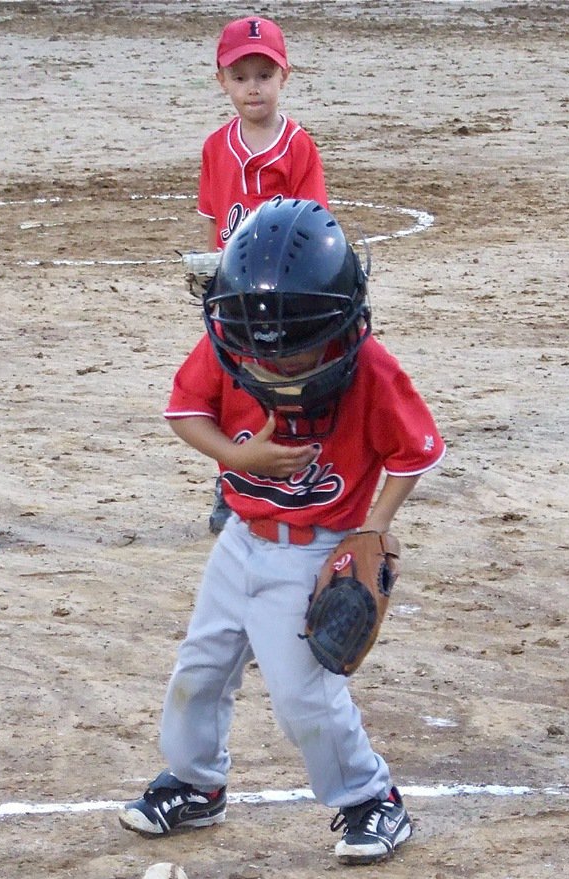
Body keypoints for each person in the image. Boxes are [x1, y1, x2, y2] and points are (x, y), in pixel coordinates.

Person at [120, 197, 445, 864]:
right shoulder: (233, 339)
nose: (279, 367)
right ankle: (196, 783)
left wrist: (370, 531)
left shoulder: (373, 370)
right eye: (264, 354)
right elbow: (183, 411)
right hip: (240, 538)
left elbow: (418, 452)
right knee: (200, 668)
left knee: (303, 694)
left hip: (316, 552)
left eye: (298, 353)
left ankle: (371, 798)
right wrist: (239, 458)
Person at [199, 14, 330, 534]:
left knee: (289, 384)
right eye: (240, 76)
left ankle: (293, 477)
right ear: (223, 82)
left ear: (284, 77)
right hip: (233, 293)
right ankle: (232, 482)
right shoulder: (216, 146)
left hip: (285, 294)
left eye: (264, 75)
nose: (253, 88)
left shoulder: (298, 146)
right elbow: (214, 223)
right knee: (233, 388)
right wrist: (211, 284)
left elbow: (316, 224)